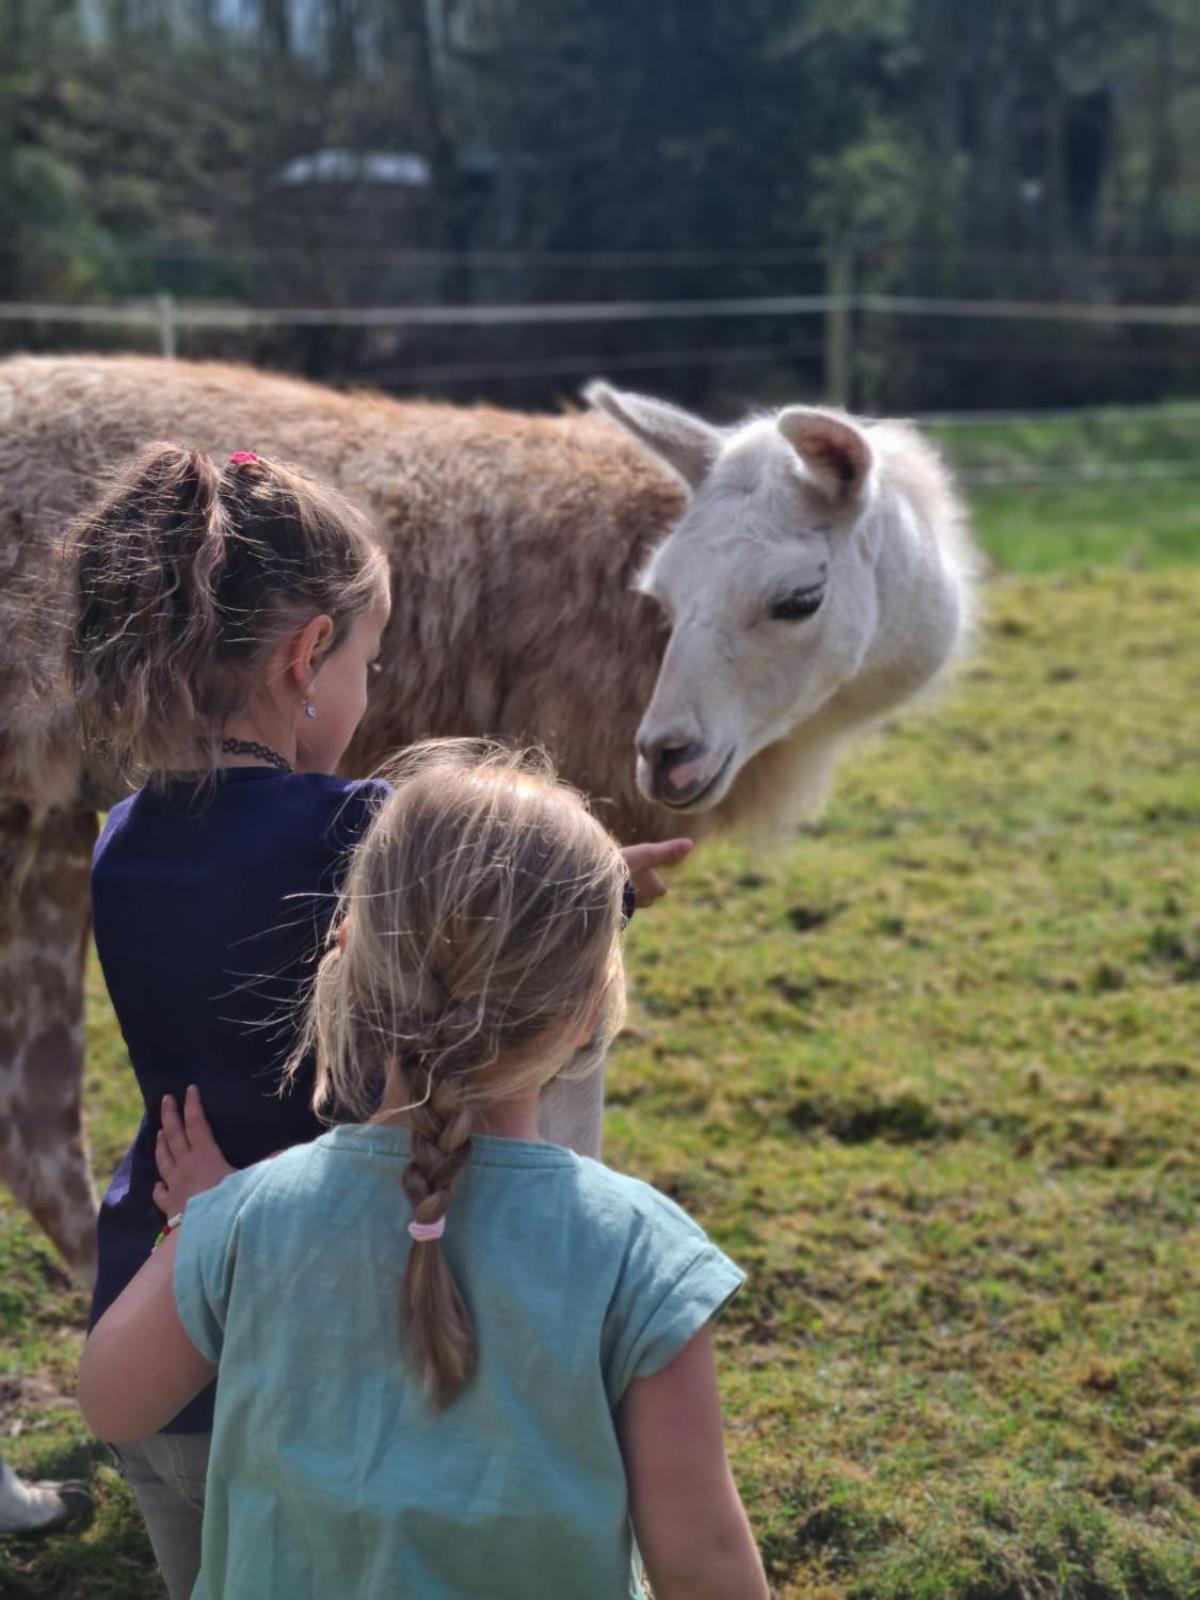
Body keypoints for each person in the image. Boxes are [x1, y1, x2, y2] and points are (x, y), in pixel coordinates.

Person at [68, 446, 689, 1599]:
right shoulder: (363, 831)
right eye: (368, 656)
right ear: (310, 655)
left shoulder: (117, 837)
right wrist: (608, 884)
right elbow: (498, 911)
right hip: (314, 1336)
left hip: (152, 1311)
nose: (370, 681)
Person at [79, 741, 767, 1600]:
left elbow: (113, 1403)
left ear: (347, 961)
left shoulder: (248, 1219)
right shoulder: (639, 1254)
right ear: (590, 1007)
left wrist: (200, 1224)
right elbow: (701, 1561)